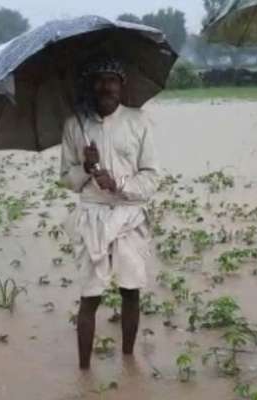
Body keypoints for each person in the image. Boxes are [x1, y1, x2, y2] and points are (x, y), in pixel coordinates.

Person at [60, 56, 160, 369]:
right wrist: (87, 169)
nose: (106, 87)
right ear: (91, 85)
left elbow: (152, 176)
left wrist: (118, 183)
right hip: (92, 214)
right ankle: (84, 370)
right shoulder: (75, 124)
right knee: (90, 296)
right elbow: (66, 177)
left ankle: (129, 362)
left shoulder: (139, 121)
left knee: (131, 291)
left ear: (122, 85)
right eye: (100, 80)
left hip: (130, 213)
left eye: (112, 80)